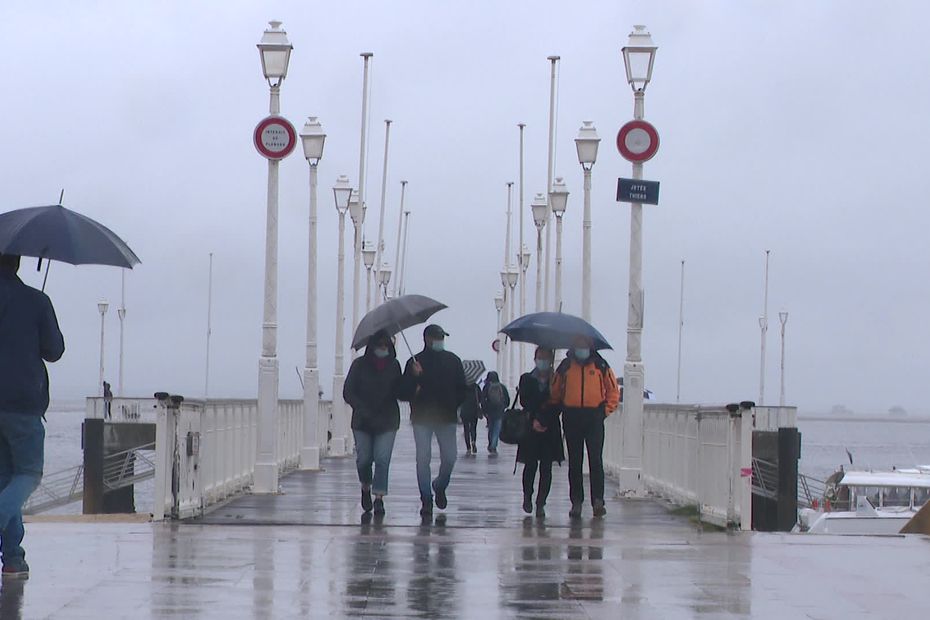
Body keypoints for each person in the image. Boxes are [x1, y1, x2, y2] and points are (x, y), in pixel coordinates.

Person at [0, 253, 65, 579]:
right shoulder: (36, 300)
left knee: (4, 479)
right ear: (17, 263)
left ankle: (13, 557)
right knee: (28, 473)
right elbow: (54, 350)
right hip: (22, 402)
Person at [399, 324, 467, 517]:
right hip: (422, 417)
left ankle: (440, 485)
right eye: (437, 337)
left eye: (442, 337)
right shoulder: (414, 362)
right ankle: (426, 498)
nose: (440, 341)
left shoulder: (453, 361)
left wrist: (454, 404)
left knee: (450, 457)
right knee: (423, 458)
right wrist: (414, 379)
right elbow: (403, 392)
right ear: (427, 339)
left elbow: (462, 388)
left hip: (446, 417)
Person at [549, 335, 619, 519]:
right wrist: (557, 406)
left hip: (594, 417)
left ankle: (598, 501)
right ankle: (576, 502)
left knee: (595, 460)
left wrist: (605, 411)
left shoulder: (600, 365)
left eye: (584, 345)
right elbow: (555, 391)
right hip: (572, 417)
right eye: (578, 344)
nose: (581, 348)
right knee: (575, 461)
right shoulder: (565, 366)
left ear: (590, 346)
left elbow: (613, 391)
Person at [343, 330, 402, 517]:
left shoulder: (394, 366)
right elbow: (348, 392)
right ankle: (365, 486)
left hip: (387, 420)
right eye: (380, 345)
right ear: (373, 346)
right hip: (363, 421)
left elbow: (401, 392)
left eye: (386, 345)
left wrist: (413, 378)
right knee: (364, 459)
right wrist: (361, 408)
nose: (383, 348)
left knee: (383, 459)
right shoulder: (359, 365)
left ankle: (379, 497)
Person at [516, 347, 564, 518]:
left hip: (550, 428)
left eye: (545, 357)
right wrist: (537, 417)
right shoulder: (527, 379)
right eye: (539, 357)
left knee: (546, 468)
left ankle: (540, 503)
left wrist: (545, 419)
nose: (542, 360)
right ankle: (527, 496)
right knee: (530, 466)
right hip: (530, 428)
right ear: (535, 358)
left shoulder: (557, 380)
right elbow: (525, 401)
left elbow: (559, 404)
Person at [480, 371, 510, 456]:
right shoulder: (502, 387)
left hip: (490, 411)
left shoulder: (487, 387)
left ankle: (491, 444)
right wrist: (504, 406)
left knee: (491, 428)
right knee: (497, 429)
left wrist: (484, 410)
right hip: (499, 411)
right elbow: (507, 399)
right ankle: (493, 445)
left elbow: (483, 399)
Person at [459, 382, 482, 456]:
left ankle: (468, 447)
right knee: (473, 428)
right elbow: (481, 398)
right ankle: (473, 441)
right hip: (474, 411)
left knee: (466, 429)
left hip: (464, 411)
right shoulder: (476, 387)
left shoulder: (462, 388)